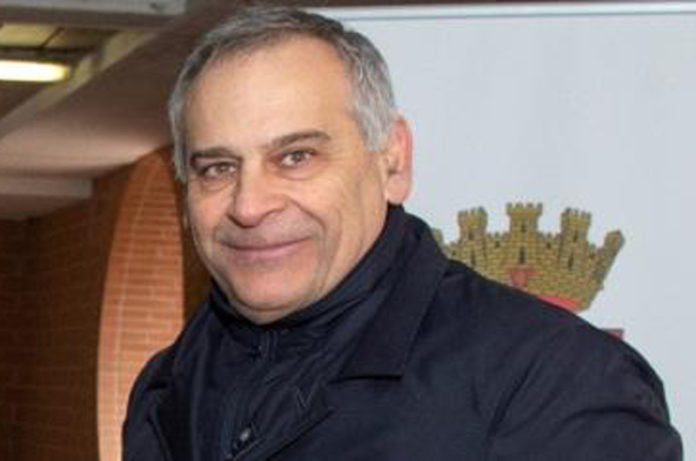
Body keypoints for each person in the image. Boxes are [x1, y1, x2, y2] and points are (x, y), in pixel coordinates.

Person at [123, 6, 682, 460]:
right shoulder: (167, 387)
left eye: (296, 156)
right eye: (218, 168)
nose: (249, 205)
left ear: (392, 160)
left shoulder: (554, 381)